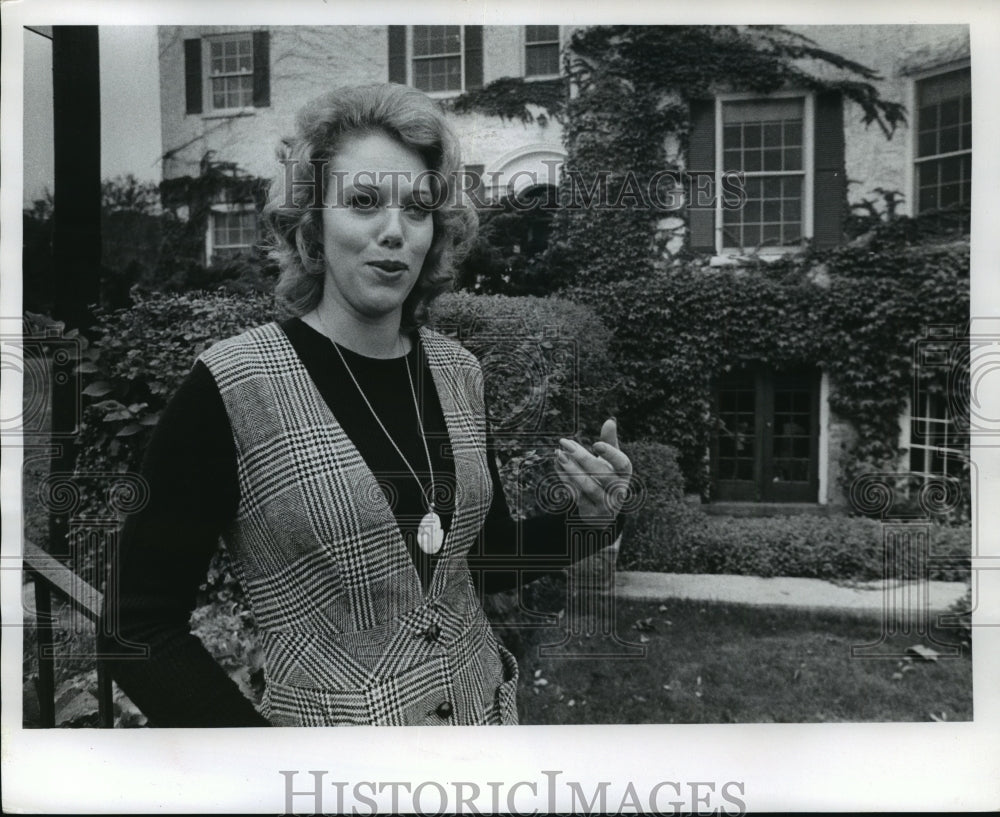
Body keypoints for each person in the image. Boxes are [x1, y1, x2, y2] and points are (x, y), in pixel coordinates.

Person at [98, 83, 632, 727]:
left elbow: (480, 561)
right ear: (312, 223)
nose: (393, 231)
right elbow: (136, 626)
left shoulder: (459, 374)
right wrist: (258, 770)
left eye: (417, 207)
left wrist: (589, 519)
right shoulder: (231, 387)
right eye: (363, 202)